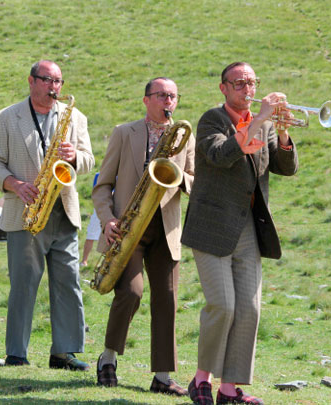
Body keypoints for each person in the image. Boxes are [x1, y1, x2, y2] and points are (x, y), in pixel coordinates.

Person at [181, 62, 299, 405]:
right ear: (224, 89)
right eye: (240, 84)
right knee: (223, 305)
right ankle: (200, 379)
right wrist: (261, 118)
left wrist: (283, 130)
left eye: (252, 83)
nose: (248, 89)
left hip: (249, 225)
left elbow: (285, 168)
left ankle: (230, 389)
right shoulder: (211, 120)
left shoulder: (263, 126)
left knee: (249, 309)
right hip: (212, 226)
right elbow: (219, 155)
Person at [0, 60, 94, 370]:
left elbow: (88, 160)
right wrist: (15, 185)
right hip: (26, 214)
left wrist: (76, 158)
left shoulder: (75, 117)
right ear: (31, 81)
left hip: (63, 213)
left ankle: (65, 352)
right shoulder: (6, 118)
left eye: (58, 81)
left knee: (69, 282)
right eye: (47, 80)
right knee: (23, 285)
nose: (54, 86)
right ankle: (16, 353)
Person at [92, 77, 195, 396]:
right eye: (163, 95)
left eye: (173, 97)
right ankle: (107, 358)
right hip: (128, 227)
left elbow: (195, 178)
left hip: (166, 229)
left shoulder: (184, 136)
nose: (169, 102)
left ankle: (162, 377)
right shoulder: (125, 133)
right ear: (146, 99)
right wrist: (107, 220)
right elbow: (102, 185)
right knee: (132, 293)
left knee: (167, 300)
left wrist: (180, 180)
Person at [80, 173, 101, 267]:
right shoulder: (99, 175)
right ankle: (84, 261)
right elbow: (95, 192)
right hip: (100, 209)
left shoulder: (121, 176)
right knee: (91, 234)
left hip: (116, 209)